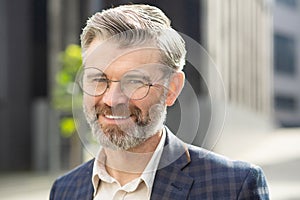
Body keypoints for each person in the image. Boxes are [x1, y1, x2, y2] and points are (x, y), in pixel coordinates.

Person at [50, 4, 269, 200]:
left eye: (135, 81)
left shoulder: (233, 187)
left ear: (172, 88)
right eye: (99, 79)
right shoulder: (65, 190)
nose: (112, 99)